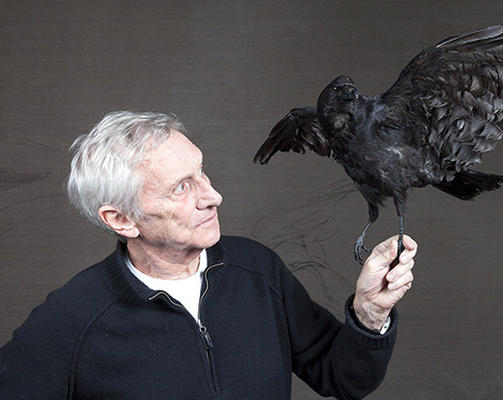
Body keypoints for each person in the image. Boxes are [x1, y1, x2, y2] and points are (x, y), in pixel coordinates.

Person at [0, 111, 417, 399]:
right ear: (121, 219)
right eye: (181, 187)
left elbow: (343, 378)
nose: (213, 196)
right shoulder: (71, 318)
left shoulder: (257, 269)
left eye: (201, 172)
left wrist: (369, 313)